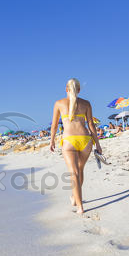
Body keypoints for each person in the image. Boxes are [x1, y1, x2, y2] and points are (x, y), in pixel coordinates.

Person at [50, 78, 102, 214]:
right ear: (79, 90)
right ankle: (74, 198)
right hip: (85, 140)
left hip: (69, 140)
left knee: (74, 173)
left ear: (66, 89)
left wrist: (52, 141)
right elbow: (91, 125)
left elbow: (54, 125)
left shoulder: (59, 103)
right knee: (80, 170)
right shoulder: (86, 104)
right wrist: (98, 144)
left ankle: (80, 207)